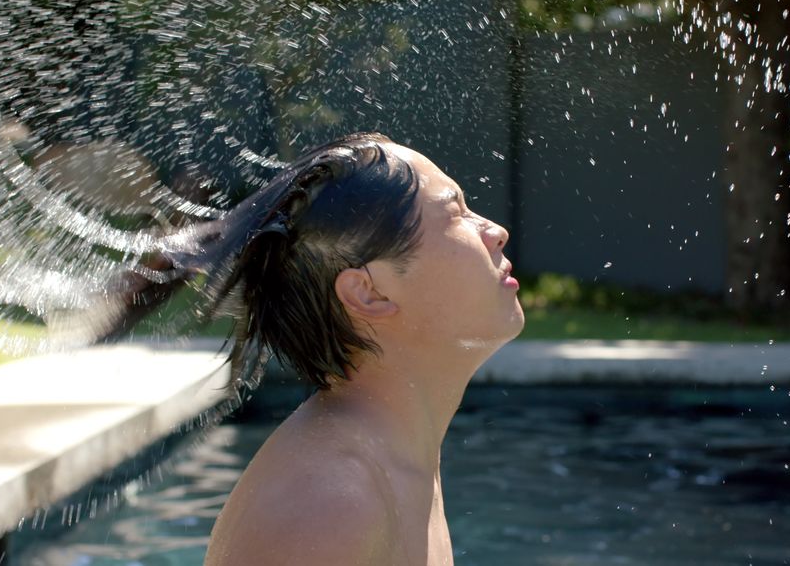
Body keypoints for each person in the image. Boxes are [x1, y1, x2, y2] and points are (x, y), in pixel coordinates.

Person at [88, 132, 524, 565]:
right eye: (456, 213)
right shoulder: (328, 506)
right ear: (369, 293)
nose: (496, 231)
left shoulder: (388, 460)